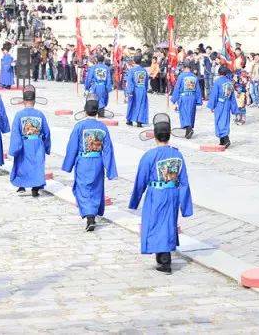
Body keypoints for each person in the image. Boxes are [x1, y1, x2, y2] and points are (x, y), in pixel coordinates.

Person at [129, 113, 193, 274]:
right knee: (167, 223)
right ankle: (163, 256)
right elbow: (184, 182)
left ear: (155, 135)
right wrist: (185, 207)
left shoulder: (149, 156)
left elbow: (140, 180)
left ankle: (164, 260)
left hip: (156, 194)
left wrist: (135, 201)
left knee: (156, 224)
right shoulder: (177, 155)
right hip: (172, 193)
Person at [62, 93, 118, 231]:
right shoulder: (103, 128)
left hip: (84, 161)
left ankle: (90, 216)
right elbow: (108, 150)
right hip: (98, 161)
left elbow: (72, 147)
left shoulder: (79, 126)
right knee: (96, 188)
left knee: (83, 189)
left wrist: (68, 165)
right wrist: (110, 170)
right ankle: (92, 214)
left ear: (85, 110)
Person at [9, 85, 51, 197]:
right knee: (37, 165)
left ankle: (22, 185)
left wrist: (14, 149)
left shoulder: (19, 115)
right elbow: (46, 132)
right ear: (34, 101)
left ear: (23, 101)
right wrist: (46, 147)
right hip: (37, 143)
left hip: (24, 143)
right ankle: (35, 188)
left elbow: (15, 133)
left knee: (22, 165)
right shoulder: (40, 114)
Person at [207, 66, 238, 148]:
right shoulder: (229, 82)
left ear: (219, 73)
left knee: (219, 120)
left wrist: (212, 106)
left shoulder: (217, 82)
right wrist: (234, 109)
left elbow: (214, 94)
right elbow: (232, 97)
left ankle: (225, 138)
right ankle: (222, 140)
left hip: (220, 103)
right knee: (225, 120)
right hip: (227, 103)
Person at [170, 60, 202, 138]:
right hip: (192, 97)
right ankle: (188, 129)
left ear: (184, 67)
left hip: (184, 97)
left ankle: (188, 129)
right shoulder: (194, 76)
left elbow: (177, 88)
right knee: (191, 114)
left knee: (184, 114)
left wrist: (174, 99)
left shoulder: (181, 76)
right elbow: (198, 89)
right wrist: (199, 100)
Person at [125, 54, 149, 128]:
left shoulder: (132, 70)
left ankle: (129, 120)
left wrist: (129, 91)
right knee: (141, 105)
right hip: (142, 89)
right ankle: (139, 121)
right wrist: (145, 89)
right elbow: (146, 82)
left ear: (133, 61)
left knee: (132, 104)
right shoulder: (144, 70)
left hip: (135, 90)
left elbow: (130, 81)